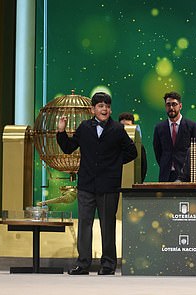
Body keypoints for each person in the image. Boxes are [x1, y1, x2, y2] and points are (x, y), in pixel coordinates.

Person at [56, 91, 137, 276]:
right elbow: (69, 148)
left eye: (107, 106)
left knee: (108, 225)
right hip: (86, 184)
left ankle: (108, 264)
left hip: (109, 186)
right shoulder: (84, 127)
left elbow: (132, 152)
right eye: (101, 106)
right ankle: (82, 264)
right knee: (85, 224)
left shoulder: (118, 129)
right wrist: (61, 131)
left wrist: (114, 164)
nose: (105, 109)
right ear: (93, 109)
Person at [153, 91, 196, 182]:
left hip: (186, 175)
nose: (171, 107)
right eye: (168, 105)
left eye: (174, 104)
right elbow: (158, 151)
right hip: (166, 175)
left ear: (180, 106)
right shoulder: (159, 128)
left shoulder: (192, 126)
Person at [118, 112, 148, 182]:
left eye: (128, 126)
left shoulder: (139, 146)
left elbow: (143, 167)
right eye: (123, 126)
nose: (125, 129)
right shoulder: (113, 145)